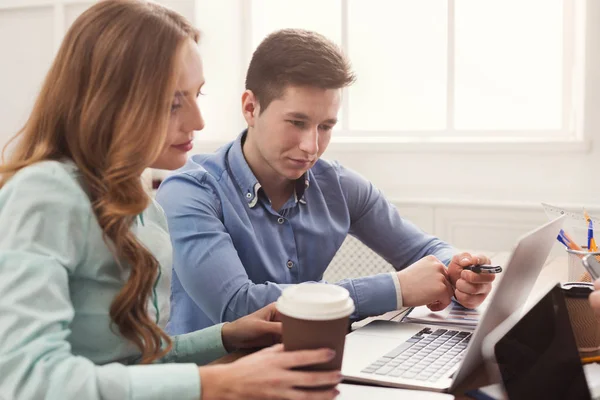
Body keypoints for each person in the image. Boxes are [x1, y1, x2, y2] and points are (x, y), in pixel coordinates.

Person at [0, 2, 342, 399]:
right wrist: (216, 383)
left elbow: (132, 364)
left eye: (197, 95)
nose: (198, 121)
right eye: (174, 101)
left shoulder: (141, 206)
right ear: (110, 101)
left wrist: (228, 336)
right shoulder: (44, 193)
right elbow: (25, 380)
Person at [156, 28, 496, 335]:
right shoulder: (190, 192)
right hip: (218, 379)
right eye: (297, 122)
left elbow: (426, 251)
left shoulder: (339, 185)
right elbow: (238, 306)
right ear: (250, 108)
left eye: (325, 126)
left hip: (312, 366)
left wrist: (462, 273)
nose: (311, 146)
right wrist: (396, 289)